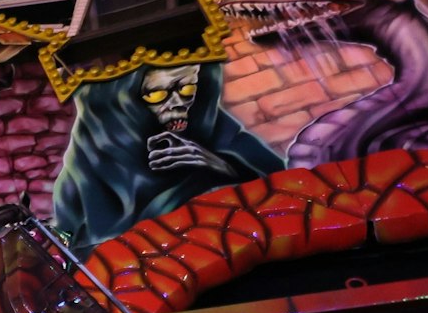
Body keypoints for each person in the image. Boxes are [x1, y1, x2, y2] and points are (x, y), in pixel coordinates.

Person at [52, 62, 283, 254]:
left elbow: (281, 186)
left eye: (186, 89)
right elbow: (65, 243)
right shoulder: (84, 161)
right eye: (156, 94)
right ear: (124, 101)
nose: (177, 104)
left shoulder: (211, 124)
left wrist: (222, 166)